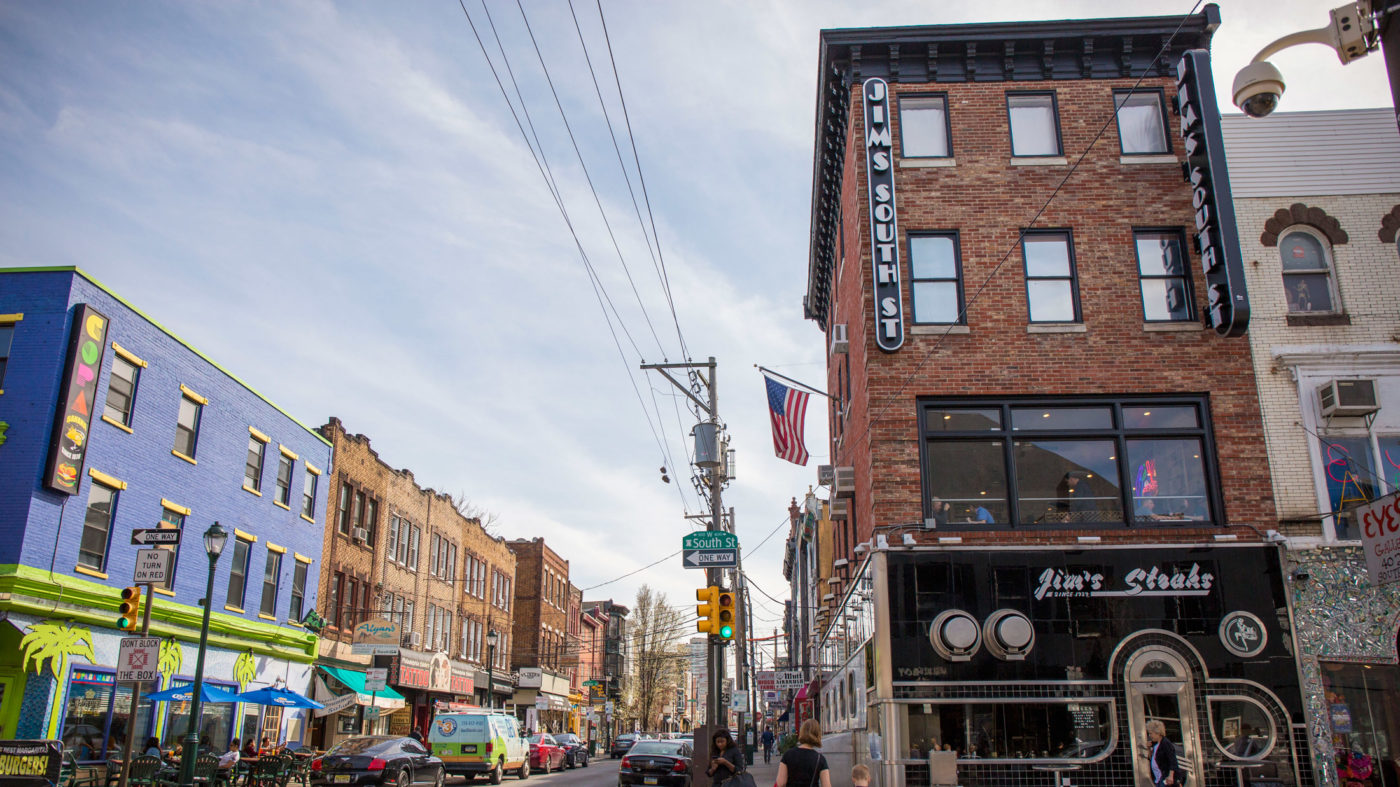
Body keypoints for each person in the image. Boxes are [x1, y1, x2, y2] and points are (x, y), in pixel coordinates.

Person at [776, 720, 831, 787]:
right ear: (818, 735)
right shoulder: (820, 759)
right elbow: (826, 785)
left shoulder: (788, 755)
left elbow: (781, 783)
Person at [1147, 720, 1184, 787]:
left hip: (1166, 778)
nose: (1150, 736)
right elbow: (1151, 758)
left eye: (1151, 733)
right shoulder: (1156, 744)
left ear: (1157, 733)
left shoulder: (1165, 743)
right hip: (1159, 778)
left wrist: (1171, 776)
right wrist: (1149, 748)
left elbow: (1172, 760)